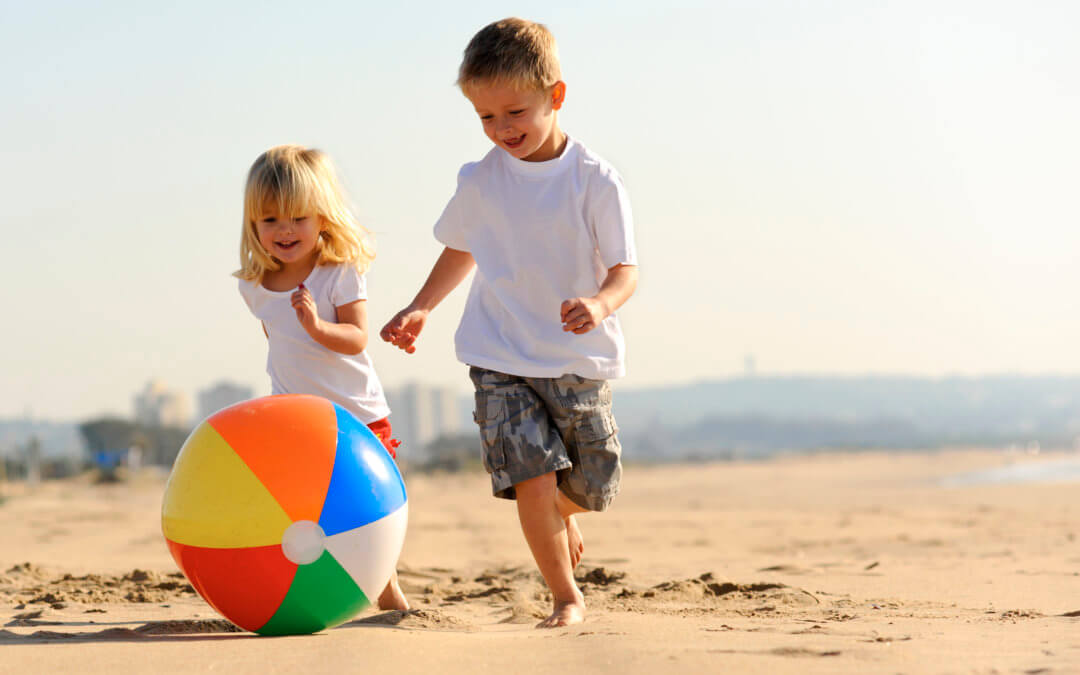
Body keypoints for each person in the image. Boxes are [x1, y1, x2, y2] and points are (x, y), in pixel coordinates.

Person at [380, 18, 638, 628]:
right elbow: (461, 247)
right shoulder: (482, 179)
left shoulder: (594, 181)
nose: (502, 130)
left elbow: (626, 270)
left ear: (556, 95)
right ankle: (565, 595)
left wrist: (599, 304)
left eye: (515, 112)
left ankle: (561, 512)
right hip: (498, 354)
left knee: (596, 481)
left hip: (577, 357)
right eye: (486, 118)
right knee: (531, 477)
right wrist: (421, 306)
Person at [235, 144, 408, 611]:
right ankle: (311, 589)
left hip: (358, 414)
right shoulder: (253, 286)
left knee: (367, 508)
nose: (284, 230)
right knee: (307, 512)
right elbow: (279, 346)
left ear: (323, 218)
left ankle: (387, 590)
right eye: (270, 220)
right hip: (298, 420)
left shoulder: (338, 273)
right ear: (254, 225)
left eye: (298, 217)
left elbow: (356, 338)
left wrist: (316, 326)